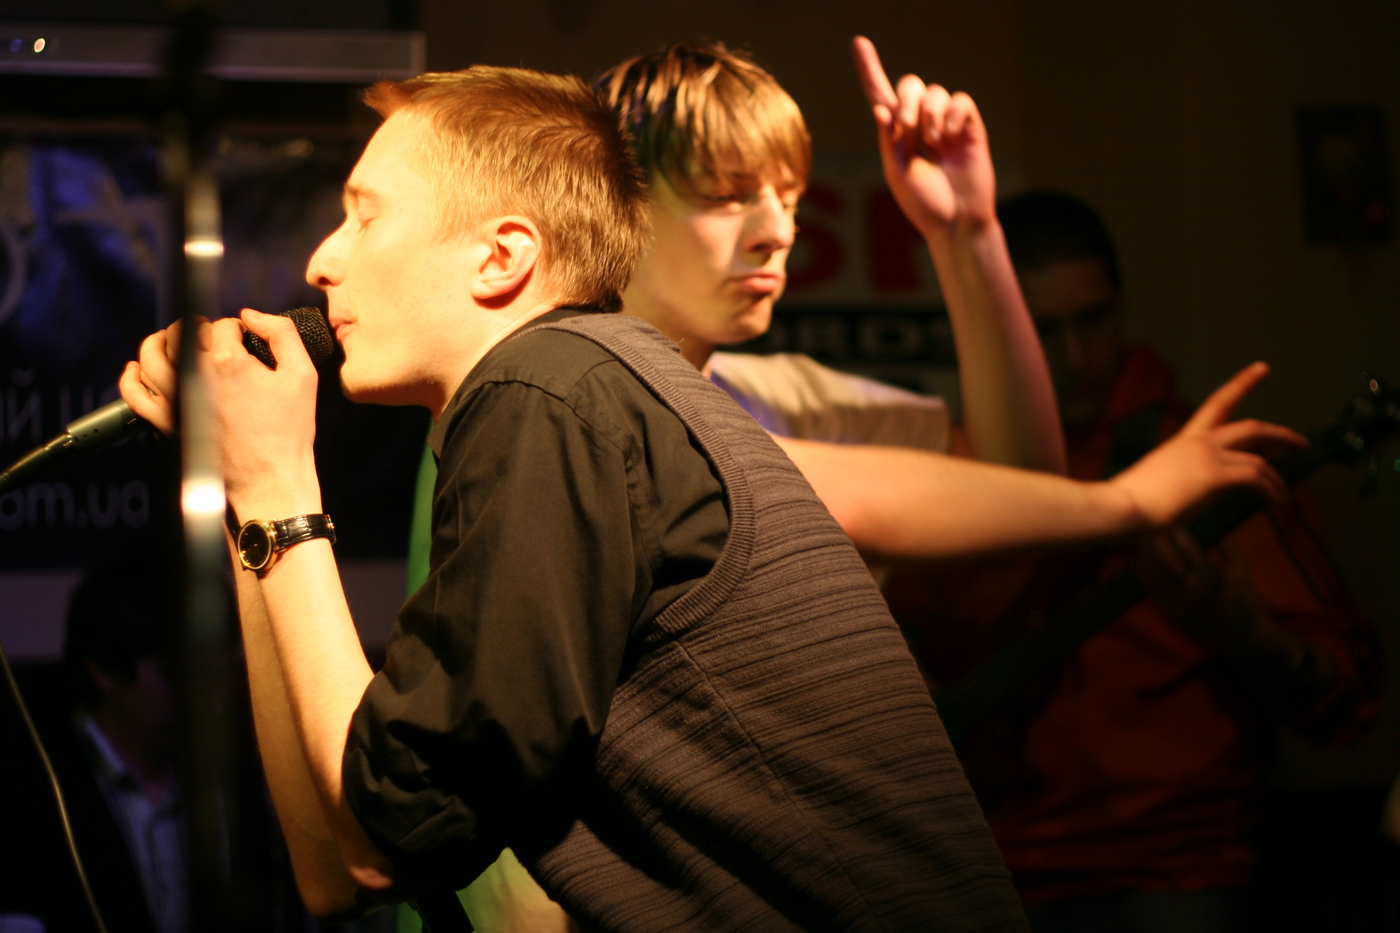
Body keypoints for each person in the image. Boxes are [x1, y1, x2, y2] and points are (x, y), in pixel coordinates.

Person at [397, 39, 1316, 931]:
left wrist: (965, 232)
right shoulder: (542, 400)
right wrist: (1127, 501)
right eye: (727, 195)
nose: (777, 229)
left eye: (789, 197)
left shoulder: (775, 393)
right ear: (620, 201)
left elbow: (1017, 487)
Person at [118, 65, 1034, 931]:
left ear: (500, 257)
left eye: (365, 216)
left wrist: (279, 481)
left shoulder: (551, 389)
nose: (323, 260)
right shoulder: (573, 388)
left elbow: (394, 833)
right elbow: (335, 863)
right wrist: (249, 489)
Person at [883, 190, 1382, 932]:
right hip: (998, 867)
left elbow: (1349, 703)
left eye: (1093, 320)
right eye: (1043, 330)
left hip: (1182, 866)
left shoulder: (1208, 462)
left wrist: (1239, 628)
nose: (1076, 359)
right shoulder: (945, 472)